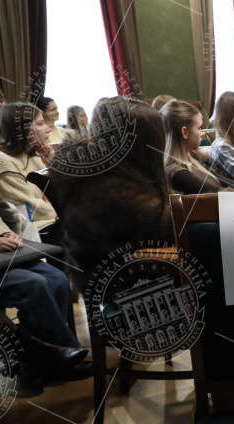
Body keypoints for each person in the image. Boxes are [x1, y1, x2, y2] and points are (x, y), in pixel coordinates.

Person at [44, 97, 177, 286]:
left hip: (127, 270)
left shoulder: (97, 173)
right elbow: (166, 231)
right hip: (126, 283)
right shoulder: (108, 193)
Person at [0, 181, 88, 387]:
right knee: (33, 284)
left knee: (56, 278)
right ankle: (60, 361)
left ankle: (37, 366)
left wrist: (3, 233)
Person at [0, 103, 62, 244]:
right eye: (40, 124)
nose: (48, 129)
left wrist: (51, 167)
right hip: (35, 231)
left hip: (56, 222)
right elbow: (30, 209)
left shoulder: (35, 156)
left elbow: (60, 195)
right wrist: (66, 210)